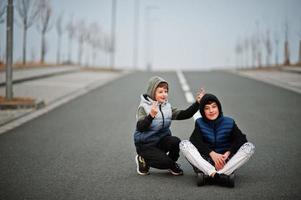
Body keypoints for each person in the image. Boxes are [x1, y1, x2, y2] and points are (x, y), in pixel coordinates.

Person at [180, 93, 255, 187]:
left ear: (218, 107)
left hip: (225, 161)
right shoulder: (199, 122)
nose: (211, 111)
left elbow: (241, 139)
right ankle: (220, 176)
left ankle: (210, 176)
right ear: (203, 111)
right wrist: (212, 154)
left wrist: (228, 152)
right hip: (206, 160)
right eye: (207, 108)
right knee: (184, 144)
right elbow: (195, 141)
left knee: (249, 147)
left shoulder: (229, 122)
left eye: (214, 107)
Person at [134, 76, 204, 176]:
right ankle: (143, 158)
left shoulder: (166, 107)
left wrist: (197, 103)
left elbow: (184, 114)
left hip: (160, 141)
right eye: (160, 92)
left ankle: (170, 164)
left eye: (166, 91)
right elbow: (140, 127)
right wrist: (151, 116)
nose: (164, 94)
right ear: (152, 92)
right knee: (166, 162)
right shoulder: (144, 107)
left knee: (176, 142)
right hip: (146, 144)